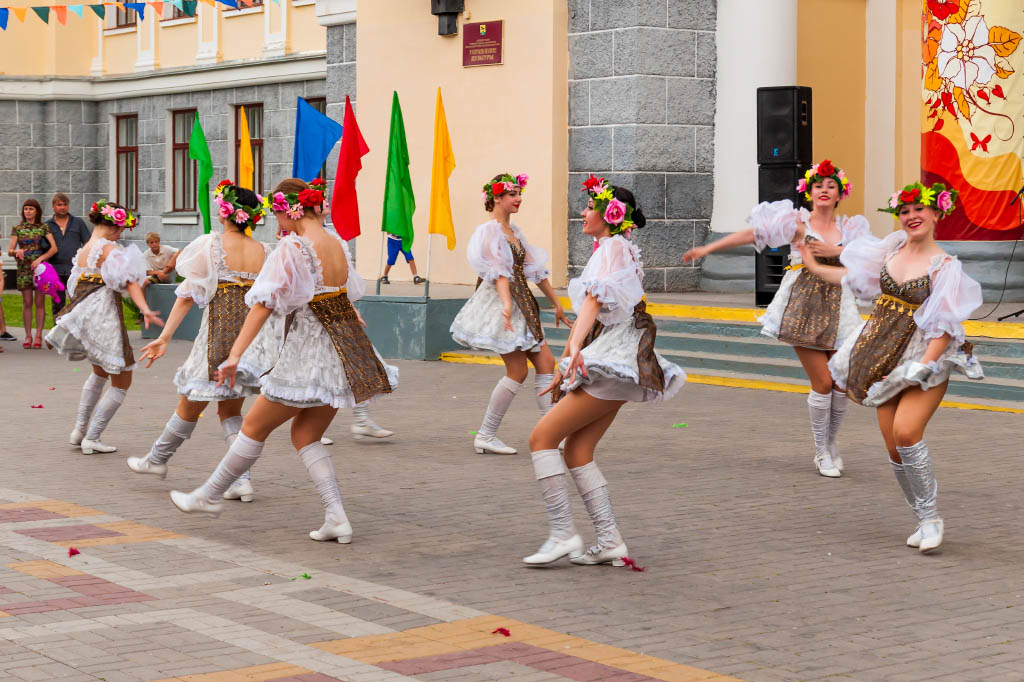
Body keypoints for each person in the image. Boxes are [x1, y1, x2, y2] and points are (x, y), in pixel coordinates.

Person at [169, 178, 398, 544]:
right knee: (306, 434)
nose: (277, 223)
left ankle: (208, 496)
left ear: (290, 211)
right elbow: (346, 294)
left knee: (254, 428)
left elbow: (263, 303)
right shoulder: (337, 243)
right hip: (342, 353)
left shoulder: (295, 247)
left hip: (308, 356)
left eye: (278, 214)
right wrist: (350, 316)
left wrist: (235, 355)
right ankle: (336, 516)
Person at [802, 182, 983, 554]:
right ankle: (922, 517)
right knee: (893, 447)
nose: (912, 216)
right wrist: (813, 265)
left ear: (936, 215)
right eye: (904, 211)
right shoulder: (890, 249)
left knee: (906, 432)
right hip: (882, 355)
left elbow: (944, 326)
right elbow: (852, 277)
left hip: (924, 361)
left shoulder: (946, 267)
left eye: (919, 209)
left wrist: (923, 366)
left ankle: (932, 518)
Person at [524, 176, 685, 567]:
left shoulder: (611, 247)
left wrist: (574, 350)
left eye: (589, 207)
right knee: (578, 451)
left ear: (610, 215)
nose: (583, 212)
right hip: (617, 355)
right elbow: (593, 313)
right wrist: (570, 355)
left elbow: (594, 303)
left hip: (613, 356)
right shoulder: (620, 247)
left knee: (541, 438)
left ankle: (562, 533)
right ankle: (610, 540)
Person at [682, 160, 869, 478]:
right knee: (823, 382)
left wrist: (835, 252)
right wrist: (708, 248)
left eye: (831, 186)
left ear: (840, 194)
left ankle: (831, 442)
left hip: (840, 307)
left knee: (840, 383)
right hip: (803, 306)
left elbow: (866, 261)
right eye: (818, 186)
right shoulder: (798, 224)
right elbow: (753, 233)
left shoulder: (850, 231)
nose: (824, 190)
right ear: (809, 192)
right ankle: (821, 451)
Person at [128, 182, 280, 505]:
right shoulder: (264, 251)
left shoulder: (211, 245)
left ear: (224, 212)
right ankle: (241, 479)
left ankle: (157, 459)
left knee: (190, 402)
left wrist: (165, 336)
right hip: (247, 344)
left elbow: (187, 295)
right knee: (229, 409)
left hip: (216, 339)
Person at [450, 173, 572, 455]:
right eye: (513, 195)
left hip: (522, 304)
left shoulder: (514, 232)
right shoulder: (490, 232)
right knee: (517, 371)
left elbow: (535, 270)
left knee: (545, 363)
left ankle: (552, 432)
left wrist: (557, 302)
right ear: (497, 198)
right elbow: (500, 274)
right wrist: (506, 305)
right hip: (503, 304)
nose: (518, 199)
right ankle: (486, 434)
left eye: (519, 194)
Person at [45, 199, 163, 454]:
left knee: (99, 372)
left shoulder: (84, 250)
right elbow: (130, 281)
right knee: (122, 380)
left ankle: (79, 430)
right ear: (112, 225)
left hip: (89, 317)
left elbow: (74, 288)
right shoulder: (110, 249)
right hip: (106, 318)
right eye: (120, 228)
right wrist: (145, 309)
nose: (121, 234)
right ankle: (93, 437)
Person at [8, 199, 57, 349]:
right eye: (26, 209)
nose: (28, 211)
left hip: (40, 270)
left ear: (37, 211)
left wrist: (40, 259)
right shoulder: (17, 228)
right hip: (24, 269)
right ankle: (28, 335)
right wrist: (17, 251)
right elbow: (10, 251)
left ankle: (38, 336)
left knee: (40, 303)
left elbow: (54, 248)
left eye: (31, 209)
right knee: (27, 302)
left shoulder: (43, 227)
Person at [46, 192, 92, 315]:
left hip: (75, 269)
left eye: (65, 204)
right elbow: (43, 247)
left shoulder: (78, 222)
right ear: (53, 206)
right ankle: (57, 331)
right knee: (57, 303)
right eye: (59, 204)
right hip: (55, 269)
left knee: (77, 301)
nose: (62, 207)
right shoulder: (47, 225)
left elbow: (88, 243)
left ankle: (76, 332)